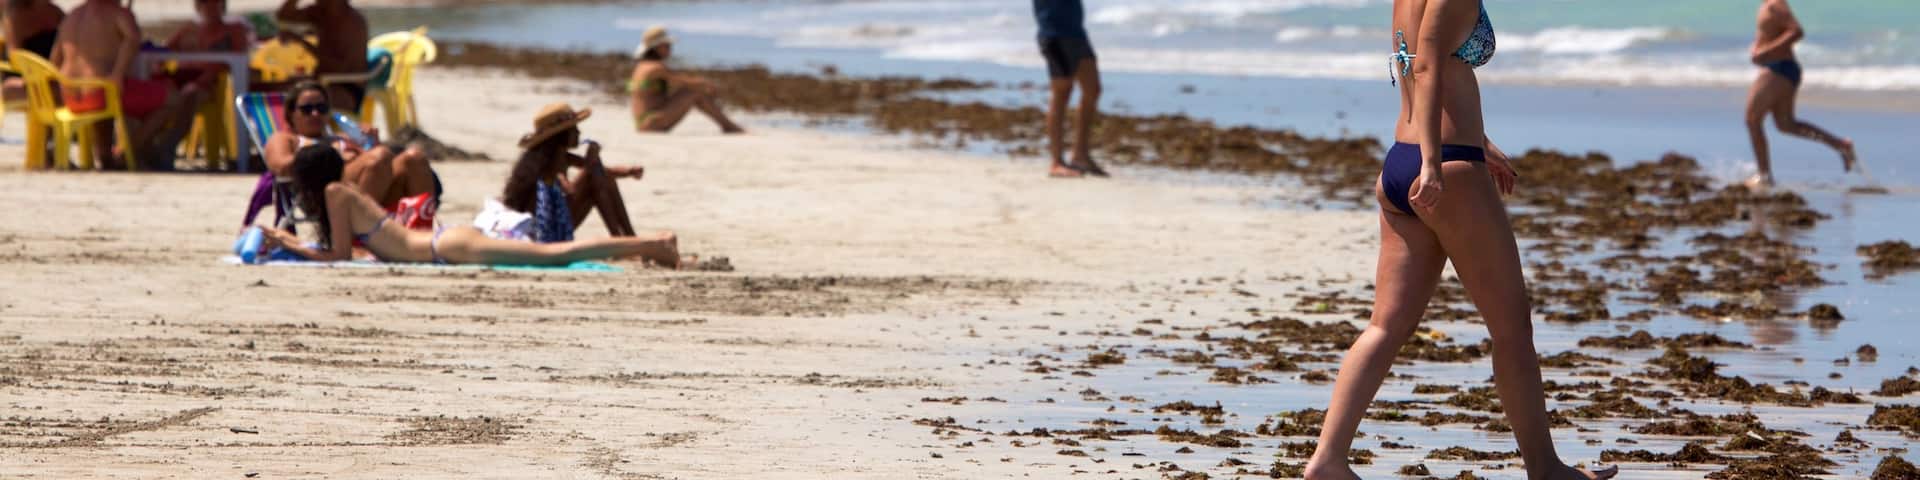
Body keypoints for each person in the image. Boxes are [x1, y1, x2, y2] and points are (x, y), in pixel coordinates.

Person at [1300, 1, 1617, 479]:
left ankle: (1327, 460)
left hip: (1401, 162)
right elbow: (1426, 66)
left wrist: (1479, 143)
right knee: (1512, 330)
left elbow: (1416, 66)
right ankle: (1545, 469)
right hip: (1445, 169)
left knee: (1385, 326)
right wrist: (1434, 163)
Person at [262, 144, 686, 268]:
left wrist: (289, 241)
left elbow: (336, 255)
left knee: (554, 254)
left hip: (446, 248)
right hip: (444, 243)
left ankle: (655, 242)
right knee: (550, 256)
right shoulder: (345, 192)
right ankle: (650, 245)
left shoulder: (336, 193)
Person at [49, 0, 200, 170]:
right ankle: (128, 151)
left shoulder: (72, 16)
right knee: (173, 99)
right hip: (101, 92)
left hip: (70, 96)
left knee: (110, 102)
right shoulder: (119, 14)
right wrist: (118, 74)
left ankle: (106, 154)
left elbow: (55, 60)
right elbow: (133, 39)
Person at [263, 82, 434, 210]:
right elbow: (281, 166)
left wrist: (372, 144)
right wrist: (331, 156)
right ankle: (361, 233)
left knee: (414, 158)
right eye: (307, 109)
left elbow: (380, 165)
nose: (315, 114)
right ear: (291, 113)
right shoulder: (285, 139)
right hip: (324, 194)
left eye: (321, 108)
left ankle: (421, 230)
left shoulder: (341, 138)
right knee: (379, 157)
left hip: (366, 189)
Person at [1742, 0, 1855, 189]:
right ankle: (1841, 145)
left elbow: (1796, 31)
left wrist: (1766, 51)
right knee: (1786, 124)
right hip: (1780, 68)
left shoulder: (1775, 4)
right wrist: (1757, 47)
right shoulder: (1765, 5)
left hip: (1780, 69)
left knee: (1752, 119)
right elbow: (1769, 33)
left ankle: (1764, 175)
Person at [496, 103, 647, 243]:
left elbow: (601, 172)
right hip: (541, 231)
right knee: (594, 175)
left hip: (552, 224)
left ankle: (627, 239)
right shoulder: (548, 161)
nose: (579, 132)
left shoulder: (558, 154)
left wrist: (628, 171)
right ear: (561, 134)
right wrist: (590, 162)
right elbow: (567, 192)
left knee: (602, 178)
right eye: (574, 129)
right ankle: (624, 240)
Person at [1033, 0, 1105, 178]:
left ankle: (1080, 155)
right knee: (1062, 92)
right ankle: (1056, 162)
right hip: (1055, 32)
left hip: (1076, 32)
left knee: (1092, 89)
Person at [629, 26, 745, 134]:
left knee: (691, 91)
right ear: (657, 48)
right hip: (652, 123)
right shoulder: (656, 68)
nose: (670, 49)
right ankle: (728, 126)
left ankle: (727, 125)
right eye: (667, 46)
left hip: (643, 122)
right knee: (695, 92)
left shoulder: (641, 66)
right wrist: (707, 84)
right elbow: (684, 82)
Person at [276, 0, 368, 112]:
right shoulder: (321, 13)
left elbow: (339, 67)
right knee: (266, 89)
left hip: (346, 89)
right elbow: (284, 15)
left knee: (284, 97)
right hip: (323, 83)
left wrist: (301, 41)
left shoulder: (353, 23)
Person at [166, 0, 251, 95]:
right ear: (198, 5)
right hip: (181, 77)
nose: (210, 5)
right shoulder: (188, 30)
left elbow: (239, 59)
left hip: (211, 82)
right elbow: (163, 52)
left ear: (222, 4)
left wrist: (201, 81)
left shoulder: (234, 30)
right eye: (205, 1)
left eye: (215, 1)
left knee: (189, 93)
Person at [3, 0, 63, 102]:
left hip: (53, 74)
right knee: (9, 89)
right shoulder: (15, 16)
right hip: (27, 75)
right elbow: (15, 57)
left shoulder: (54, 10)